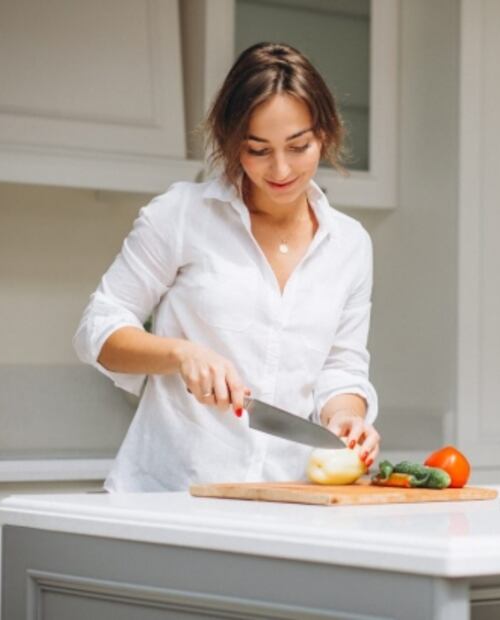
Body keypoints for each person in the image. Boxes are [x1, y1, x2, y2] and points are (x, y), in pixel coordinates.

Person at [74, 42, 380, 492]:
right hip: (170, 495)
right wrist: (182, 354)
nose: (280, 169)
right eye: (258, 150)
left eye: (299, 146)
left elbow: (342, 367)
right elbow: (97, 329)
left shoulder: (349, 244)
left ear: (326, 134)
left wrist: (347, 418)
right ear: (232, 142)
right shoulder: (181, 215)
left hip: (285, 501)